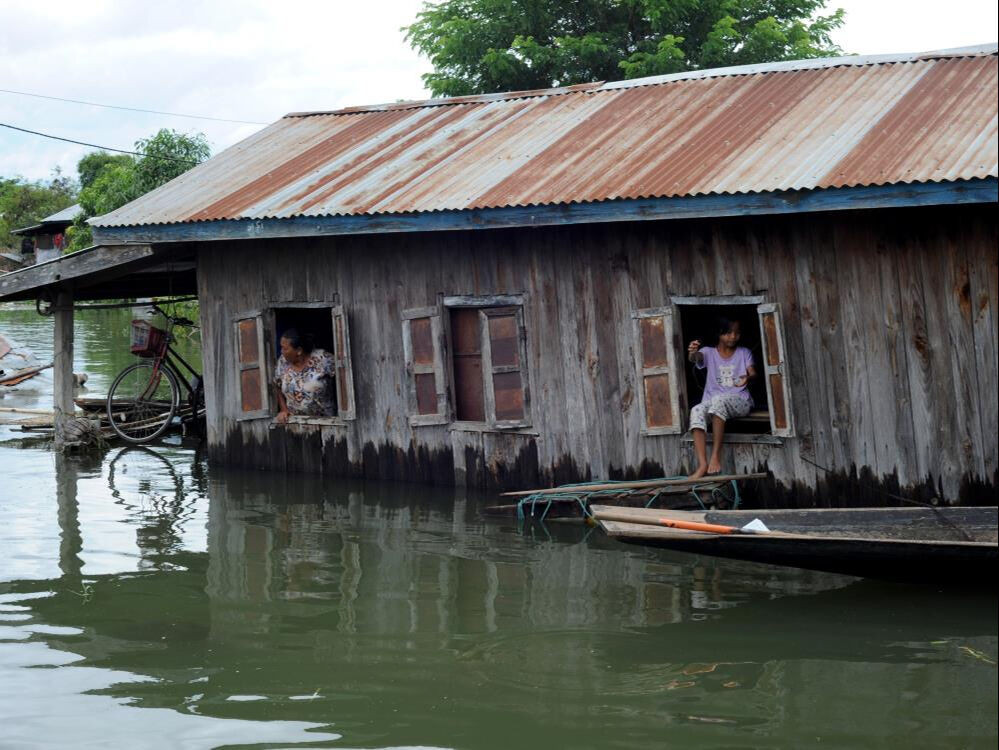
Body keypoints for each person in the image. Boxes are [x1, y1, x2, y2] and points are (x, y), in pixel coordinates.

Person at [687, 317, 756, 478]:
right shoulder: (708, 352)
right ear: (719, 333)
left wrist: (748, 377)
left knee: (719, 401)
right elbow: (695, 359)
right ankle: (702, 465)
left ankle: (715, 455)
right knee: (696, 410)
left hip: (740, 401)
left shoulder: (744, 352)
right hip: (713, 402)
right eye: (728, 333)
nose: (733, 336)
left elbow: (752, 372)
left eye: (737, 333)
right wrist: (692, 352)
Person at [273, 328, 336, 423]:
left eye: (285, 348)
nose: (281, 351)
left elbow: (343, 378)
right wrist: (284, 409)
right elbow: (276, 385)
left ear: (299, 351)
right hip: (295, 423)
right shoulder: (282, 362)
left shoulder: (324, 359)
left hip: (325, 423)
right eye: (281, 347)